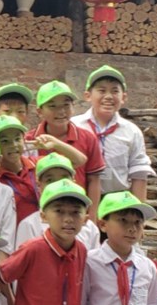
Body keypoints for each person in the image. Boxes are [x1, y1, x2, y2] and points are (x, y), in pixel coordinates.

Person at [72, 65, 154, 200]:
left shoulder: (131, 131)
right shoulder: (74, 126)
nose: (108, 97)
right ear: (88, 95)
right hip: (78, 200)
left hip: (117, 202)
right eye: (102, 91)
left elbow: (139, 172)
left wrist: (139, 209)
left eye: (115, 91)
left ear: (123, 97)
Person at [30, 80, 104, 217]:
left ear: (73, 107)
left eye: (66, 105)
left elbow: (94, 179)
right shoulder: (30, 141)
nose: (61, 111)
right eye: (52, 106)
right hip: (40, 213)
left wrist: (92, 217)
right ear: (39, 111)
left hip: (76, 212)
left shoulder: (87, 138)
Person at [13, 154, 101, 253]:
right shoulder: (29, 224)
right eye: (50, 180)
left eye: (64, 179)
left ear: (73, 181)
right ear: (39, 185)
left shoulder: (89, 227)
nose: (58, 184)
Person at [0, 115, 39, 226]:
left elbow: (77, 161)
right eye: (5, 141)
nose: (13, 145)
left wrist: (55, 144)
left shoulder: (36, 164)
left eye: (17, 139)